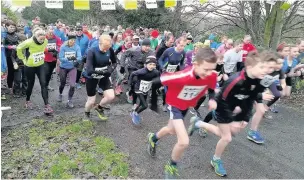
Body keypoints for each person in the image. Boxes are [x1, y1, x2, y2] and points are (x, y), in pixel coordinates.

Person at [188, 52, 276, 177]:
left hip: (237, 108)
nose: (265, 71)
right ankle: (216, 159)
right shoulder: (235, 80)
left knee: (224, 133)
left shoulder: (257, 80)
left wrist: (245, 118)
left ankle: (198, 123)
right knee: (227, 137)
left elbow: (250, 99)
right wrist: (231, 119)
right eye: (261, 67)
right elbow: (221, 99)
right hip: (223, 108)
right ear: (250, 67)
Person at [147, 47, 218, 179]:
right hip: (175, 106)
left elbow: (212, 88)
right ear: (196, 64)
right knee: (184, 141)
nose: (209, 73)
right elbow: (157, 81)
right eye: (206, 69)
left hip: (185, 106)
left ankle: (153, 138)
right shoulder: (184, 76)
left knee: (170, 130)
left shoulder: (211, 75)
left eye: (212, 69)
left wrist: (212, 99)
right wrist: (153, 102)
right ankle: (171, 165)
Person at [247, 52, 285, 144]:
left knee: (261, 111)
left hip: (258, 91)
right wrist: (262, 94)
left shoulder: (278, 71)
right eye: (278, 63)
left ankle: (252, 132)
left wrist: (280, 87)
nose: (279, 66)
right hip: (252, 92)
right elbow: (249, 87)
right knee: (235, 110)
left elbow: (281, 83)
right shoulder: (260, 72)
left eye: (281, 63)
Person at [17, 27, 54, 115]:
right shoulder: (29, 42)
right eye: (40, 38)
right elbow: (18, 48)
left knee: (44, 83)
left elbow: (43, 49)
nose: (42, 40)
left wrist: (45, 54)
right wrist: (22, 59)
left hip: (40, 65)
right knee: (31, 84)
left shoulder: (45, 41)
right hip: (30, 66)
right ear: (36, 36)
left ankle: (47, 105)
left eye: (43, 38)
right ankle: (27, 100)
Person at [84, 34, 117, 121]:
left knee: (110, 96)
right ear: (99, 43)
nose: (105, 50)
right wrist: (100, 72)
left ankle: (99, 107)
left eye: (107, 48)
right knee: (91, 101)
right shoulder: (92, 51)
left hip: (104, 76)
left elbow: (114, 62)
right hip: (92, 77)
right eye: (104, 48)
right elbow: (89, 70)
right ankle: (87, 113)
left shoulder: (109, 49)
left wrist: (110, 70)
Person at [120, 39, 154, 104]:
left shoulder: (151, 52)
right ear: (141, 45)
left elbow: (154, 61)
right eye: (145, 46)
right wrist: (122, 66)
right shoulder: (134, 50)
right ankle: (130, 93)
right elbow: (124, 55)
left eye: (149, 46)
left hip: (142, 69)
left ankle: (141, 94)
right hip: (132, 68)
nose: (147, 48)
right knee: (134, 81)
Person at [129, 56, 160, 125]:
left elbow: (158, 79)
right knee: (145, 105)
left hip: (146, 89)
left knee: (141, 104)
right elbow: (132, 74)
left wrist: (157, 87)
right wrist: (130, 83)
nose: (152, 66)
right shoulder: (142, 71)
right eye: (150, 64)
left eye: (153, 65)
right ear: (145, 65)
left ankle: (133, 112)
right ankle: (135, 113)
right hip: (138, 89)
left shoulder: (156, 72)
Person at [158, 37, 187, 112]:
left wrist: (181, 71)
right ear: (177, 43)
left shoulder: (183, 52)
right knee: (166, 90)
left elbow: (181, 63)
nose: (182, 47)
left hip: (173, 72)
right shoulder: (169, 50)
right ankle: (165, 104)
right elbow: (160, 59)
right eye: (181, 45)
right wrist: (162, 68)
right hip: (165, 72)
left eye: (184, 46)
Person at [58, 32, 82, 108]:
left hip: (72, 67)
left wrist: (75, 59)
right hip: (63, 67)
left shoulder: (77, 47)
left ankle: (69, 100)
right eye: (71, 40)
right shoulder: (63, 47)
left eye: (74, 41)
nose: (73, 42)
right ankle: (60, 94)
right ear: (68, 40)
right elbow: (60, 58)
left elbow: (79, 57)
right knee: (63, 83)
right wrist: (68, 58)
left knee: (72, 85)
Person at [3, 20, 20, 96]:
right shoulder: (4, 35)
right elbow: (2, 45)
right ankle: (10, 87)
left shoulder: (16, 35)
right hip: (8, 55)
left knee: (16, 70)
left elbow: (19, 43)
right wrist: (9, 47)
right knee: (10, 71)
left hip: (17, 54)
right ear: (7, 27)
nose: (12, 28)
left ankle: (16, 86)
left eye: (13, 27)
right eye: (11, 27)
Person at [44, 25, 61, 91]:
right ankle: (44, 85)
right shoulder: (44, 38)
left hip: (53, 58)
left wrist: (56, 50)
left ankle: (47, 85)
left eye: (52, 30)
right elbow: (40, 47)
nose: (51, 31)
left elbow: (60, 46)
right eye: (49, 29)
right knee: (46, 72)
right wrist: (48, 50)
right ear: (47, 30)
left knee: (50, 73)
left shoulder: (56, 38)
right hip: (45, 58)